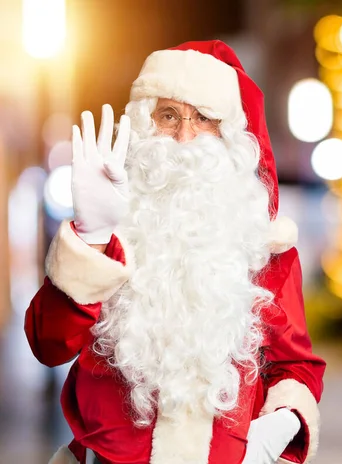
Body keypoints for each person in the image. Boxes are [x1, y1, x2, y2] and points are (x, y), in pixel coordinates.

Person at [25, 40, 326, 464]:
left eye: (203, 117)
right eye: (168, 116)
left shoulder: (265, 249)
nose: (185, 137)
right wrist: (91, 236)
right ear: (144, 125)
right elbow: (48, 345)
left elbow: (297, 368)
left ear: (231, 135)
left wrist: (274, 430)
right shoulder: (105, 237)